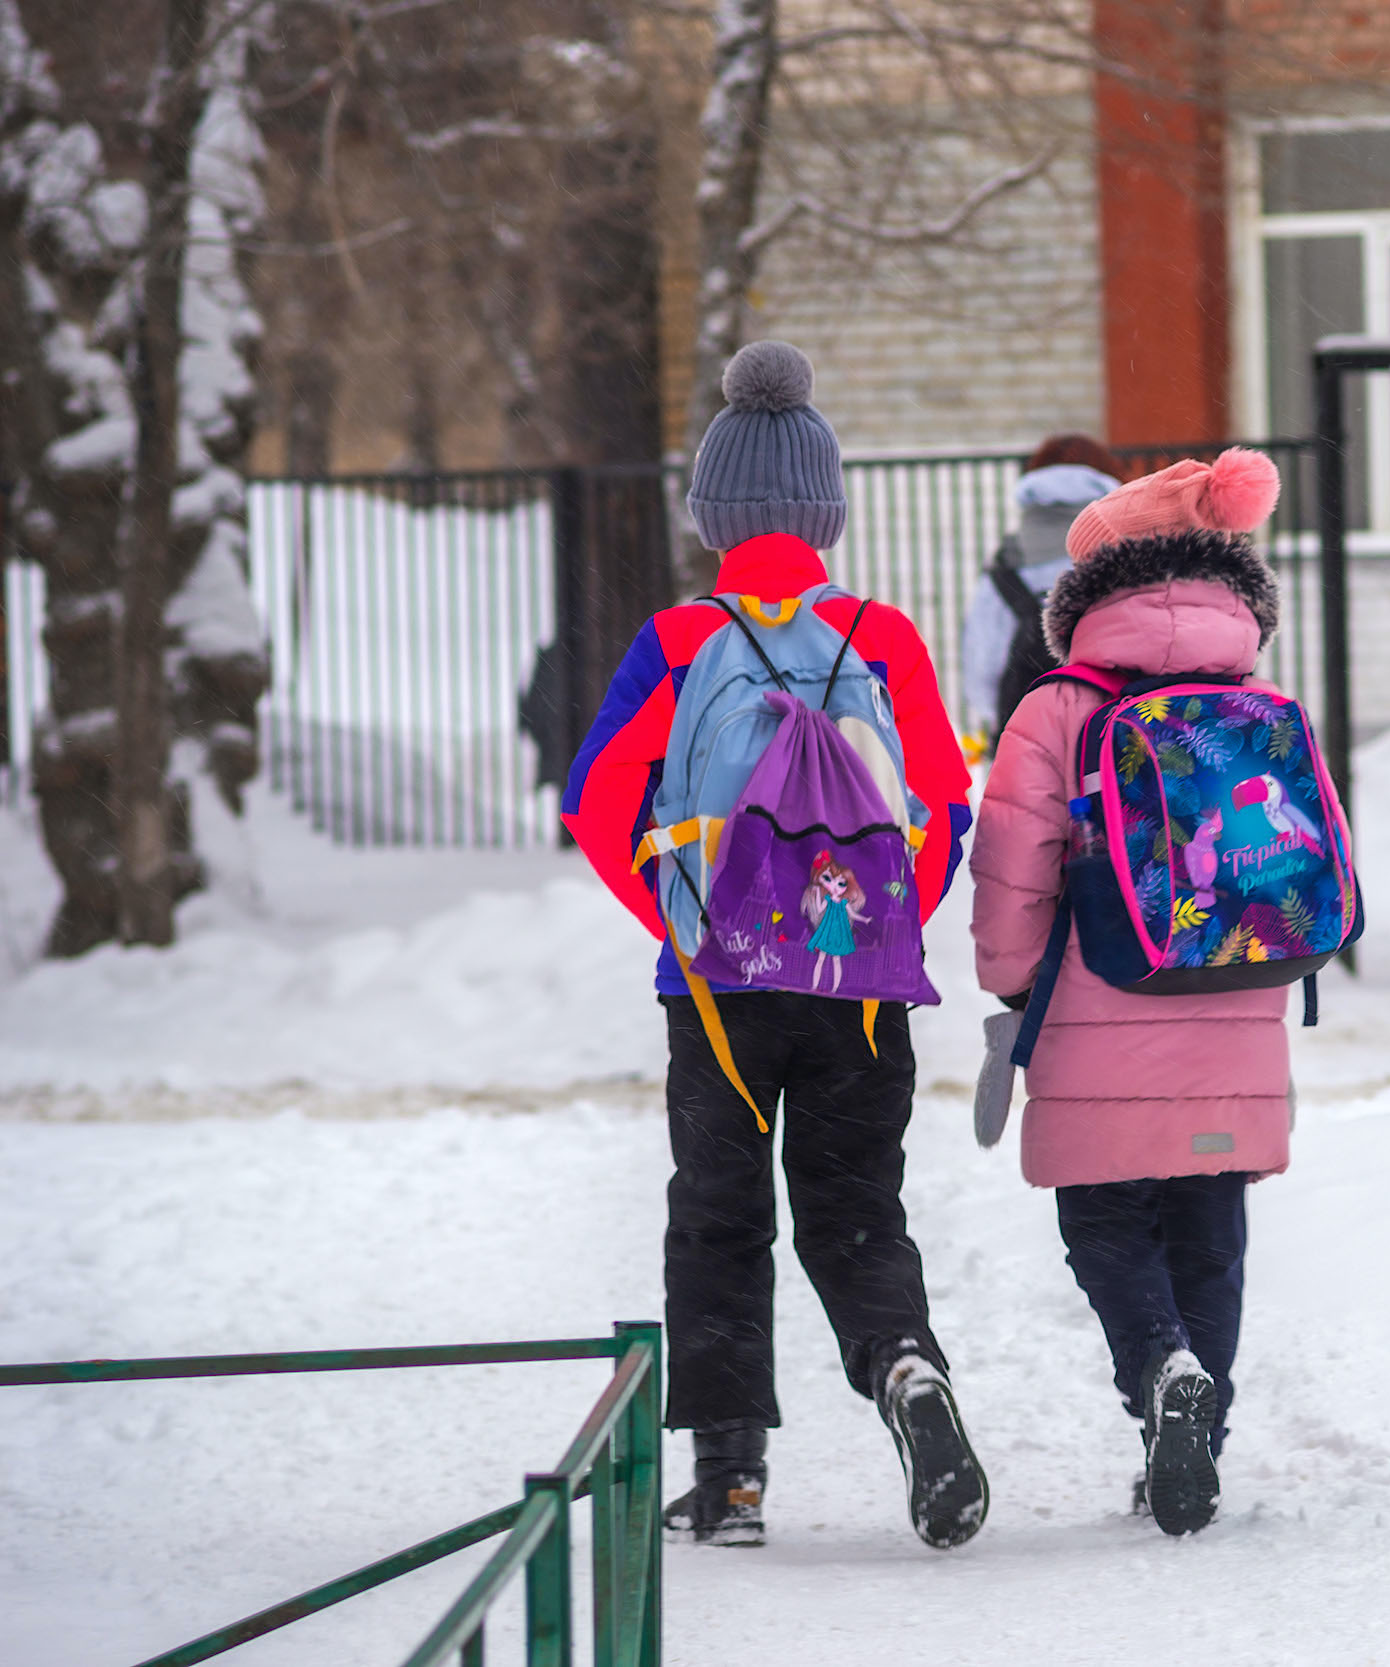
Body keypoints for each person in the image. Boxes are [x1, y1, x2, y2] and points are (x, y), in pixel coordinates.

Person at [562, 340, 985, 1552]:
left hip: (719, 988)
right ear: (826, 513)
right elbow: (944, 804)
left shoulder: (679, 638)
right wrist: (874, 922)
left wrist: (683, 920)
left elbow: (597, 800)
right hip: (857, 986)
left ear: (712, 516)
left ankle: (733, 1476)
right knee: (856, 1205)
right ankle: (903, 1364)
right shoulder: (880, 635)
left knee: (718, 1212)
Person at [968, 448, 1291, 1536]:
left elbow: (1014, 861)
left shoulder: (1056, 707)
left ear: (1088, 593)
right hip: (1237, 996)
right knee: (1209, 1221)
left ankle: (1160, 1372)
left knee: (1104, 1215)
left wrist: (1011, 986)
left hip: (1095, 995)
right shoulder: (1260, 700)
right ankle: (1195, 1440)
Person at [957, 435, 1124, 749]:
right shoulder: (1133, 552)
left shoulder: (1009, 561)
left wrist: (997, 713)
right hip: (1119, 728)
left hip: (1031, 732)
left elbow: (983, 659)